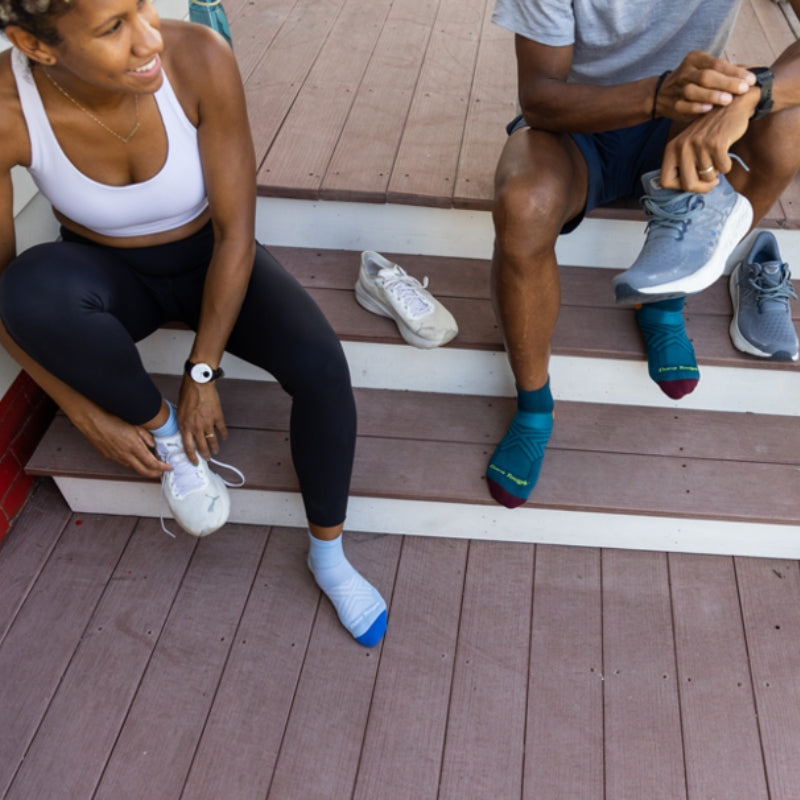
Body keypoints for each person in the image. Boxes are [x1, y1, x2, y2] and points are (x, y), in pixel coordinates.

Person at [0, 0, 387, 647]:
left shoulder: (199, 57)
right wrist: (82, 411)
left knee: (322, 368)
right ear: (36, 47)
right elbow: (5, 298)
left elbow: (237, 236)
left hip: (213, 257)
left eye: (142, 6)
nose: (147, 37)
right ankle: (168, 438)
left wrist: (202, 371)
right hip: (105, 275)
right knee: (30, 290)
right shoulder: (10, 111)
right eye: (112, 28)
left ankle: (330, 557)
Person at [485, 0, 800, 509]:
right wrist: (657, 95)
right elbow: (540, 98)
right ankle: (534, 408)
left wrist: (755, 93)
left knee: (788, 124)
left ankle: (665, 297)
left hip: (686, 124)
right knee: (524, 205)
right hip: (578, 128)